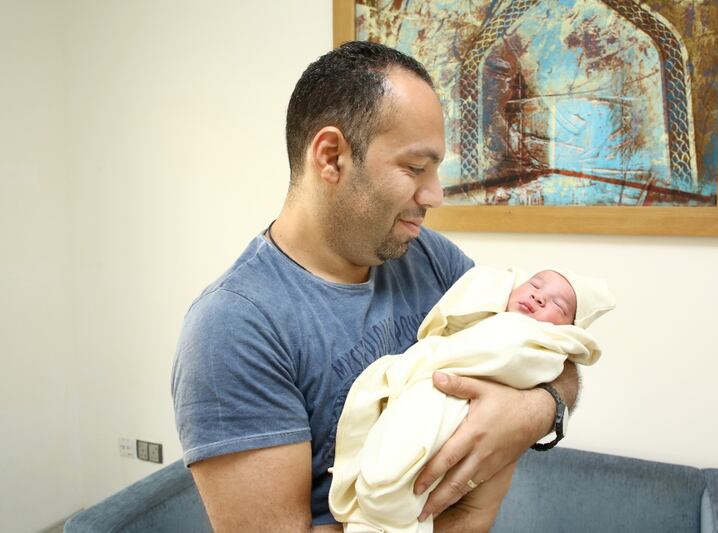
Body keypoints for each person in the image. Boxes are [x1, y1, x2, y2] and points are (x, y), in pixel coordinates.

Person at [171, 41, 581, 532]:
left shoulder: (428, 257)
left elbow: (552, 352)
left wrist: (536, 410)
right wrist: (470, 515)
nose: (433, 195)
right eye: (414, 168)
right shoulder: (235, 328)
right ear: (331, 157)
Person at [329, 266, 615, 532]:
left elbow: (553, 366)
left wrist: (535, 409)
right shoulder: (483, 310)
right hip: (427, 396)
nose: (538, 297)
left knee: (400, 474)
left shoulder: (434, 258)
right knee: (395, 452)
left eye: (557, 305)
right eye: (535, 284)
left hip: (450, 413)